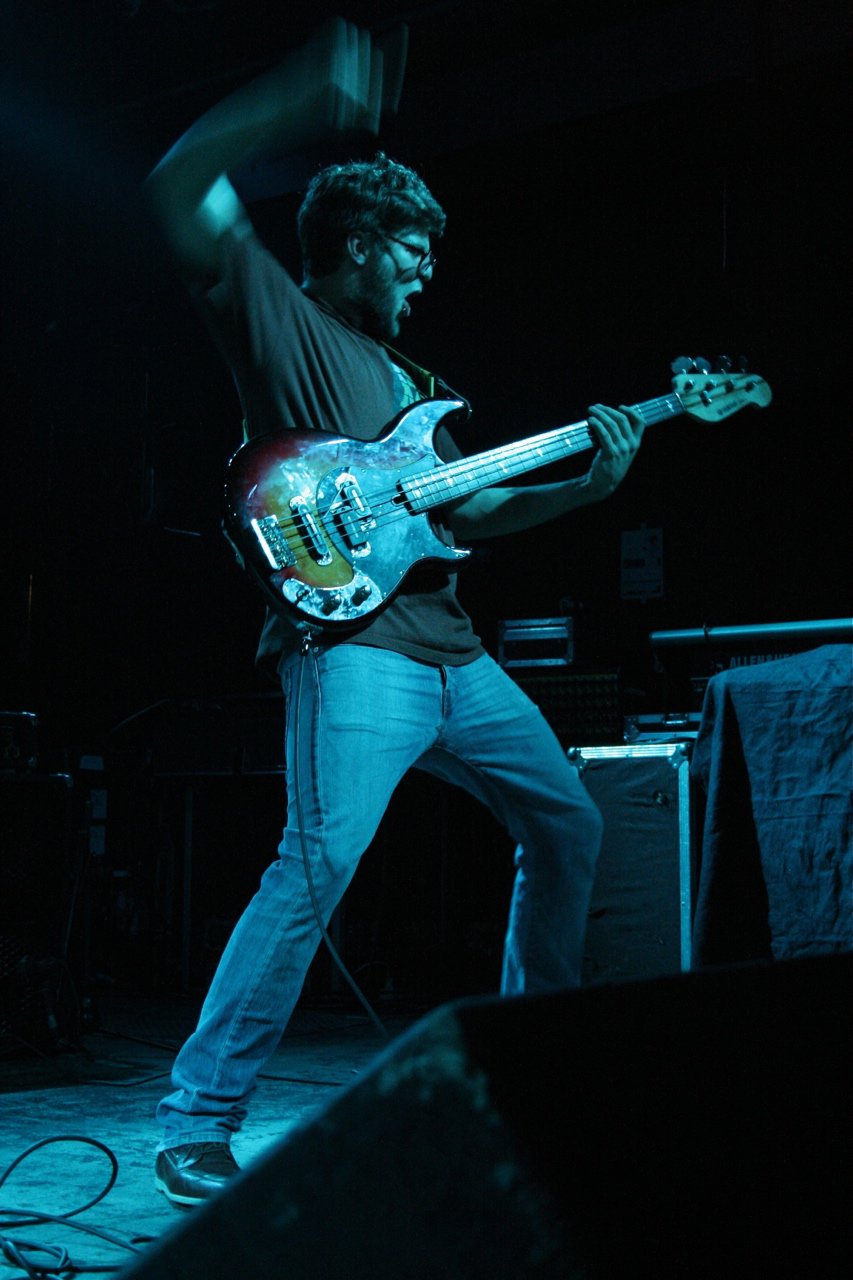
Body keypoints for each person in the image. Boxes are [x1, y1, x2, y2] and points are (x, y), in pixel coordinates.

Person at [145, 18, 645, 1208]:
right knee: (318, 860)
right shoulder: (280, 315)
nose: (425, 274)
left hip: (453, 652)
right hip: (352, 648)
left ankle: (519, 1065)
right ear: (361, 242)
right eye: (412, 252)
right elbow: (175, 180)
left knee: (567, 825)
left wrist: (586, 484)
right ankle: (198, 1115)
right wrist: (301, 92)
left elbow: (467, 512)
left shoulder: (419, 387)